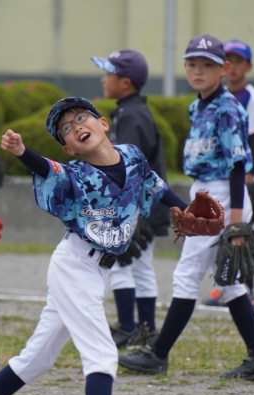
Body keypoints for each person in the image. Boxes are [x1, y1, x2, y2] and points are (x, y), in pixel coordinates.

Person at [0, 97, 191, 395]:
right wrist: (22, 152)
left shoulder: (132, 156)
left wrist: (185, 209)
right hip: (74, 266)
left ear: (103, 123)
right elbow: (47, 169)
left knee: (36, 359)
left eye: (82, 117)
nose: (76, 127)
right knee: (102, 352)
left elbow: (156, 187)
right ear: (69, 148)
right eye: (66, 129)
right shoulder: (76, 175)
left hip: (97, 270)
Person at [118, 34, 254, 382]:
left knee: (186, 275)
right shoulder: (198, 106)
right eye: (192, 64)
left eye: (208, 64)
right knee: (231, 283)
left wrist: (236, 223)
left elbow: (237, 165)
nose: (198, 71)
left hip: (223, 196)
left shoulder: (228, 108)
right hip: (205, 193)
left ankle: (158, 354)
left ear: (224, 69)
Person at [91, 49, 170, 349]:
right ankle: (145, 331)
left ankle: (129, 327)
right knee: (140, 267)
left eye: (109, 74)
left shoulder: (133, 116)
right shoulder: (129, 111)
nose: (103, 79)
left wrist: (128, 215)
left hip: (137, 207)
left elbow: (130, 168)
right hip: (143, 206)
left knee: (122, 265)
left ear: (125, 82)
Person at [203, 39, 254, 308]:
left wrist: (250, 177)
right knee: (217, 232)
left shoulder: (252, 97)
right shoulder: (218, 95)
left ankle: (248, 290)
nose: (233, 66)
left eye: (239, 61)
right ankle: (222, 286)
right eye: (229, 60)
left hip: (243, 175)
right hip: (220, 175)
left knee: (242, 232)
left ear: (248, 66)